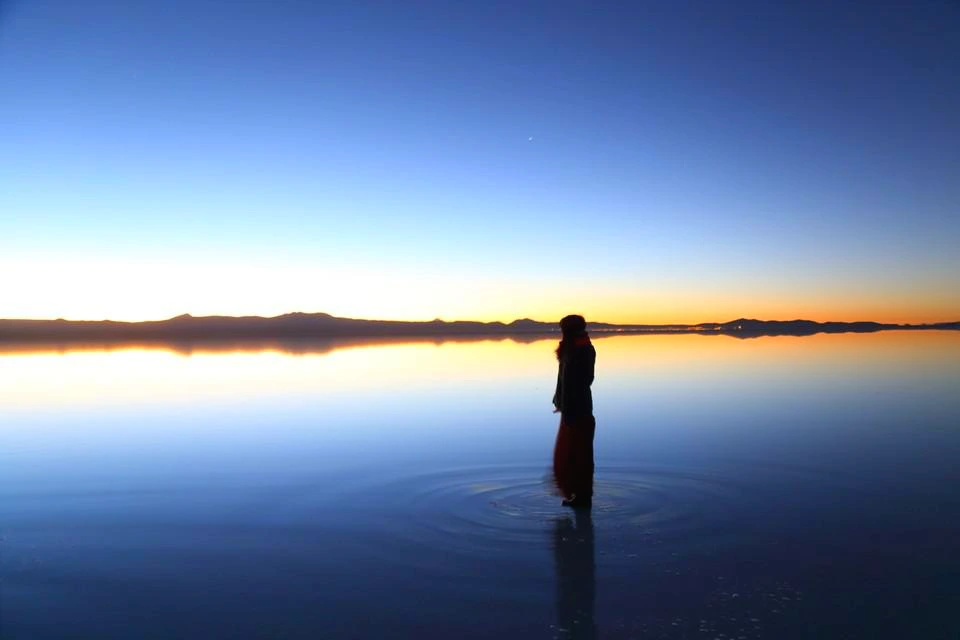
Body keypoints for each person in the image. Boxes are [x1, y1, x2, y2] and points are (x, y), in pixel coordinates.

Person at [552, 314, 596, 508]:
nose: (562, 332)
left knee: (581, 455)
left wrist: (568, 404)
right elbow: (563, 379)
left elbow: (584, 380)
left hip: (580, 410)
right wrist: (559, 400)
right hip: (571, 409)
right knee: (571, 454)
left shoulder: (583, 349)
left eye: (564, 329)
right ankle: (577, 493)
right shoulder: (570, 349)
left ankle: (583, 497)